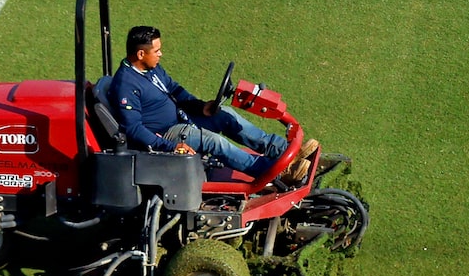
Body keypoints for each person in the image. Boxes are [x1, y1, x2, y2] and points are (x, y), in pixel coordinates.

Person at [103, 26, 315, 183]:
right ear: (141, 54)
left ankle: (284, 151)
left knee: (225, 115)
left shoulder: (151, 69)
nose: (160, 54)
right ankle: (272, 172)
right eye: (156, 50)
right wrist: (171, 146)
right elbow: (133, 128)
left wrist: (200, 106)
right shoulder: (126, 85)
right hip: (166, 133)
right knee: (214, 142)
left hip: (183, 117)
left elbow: (175, 89)